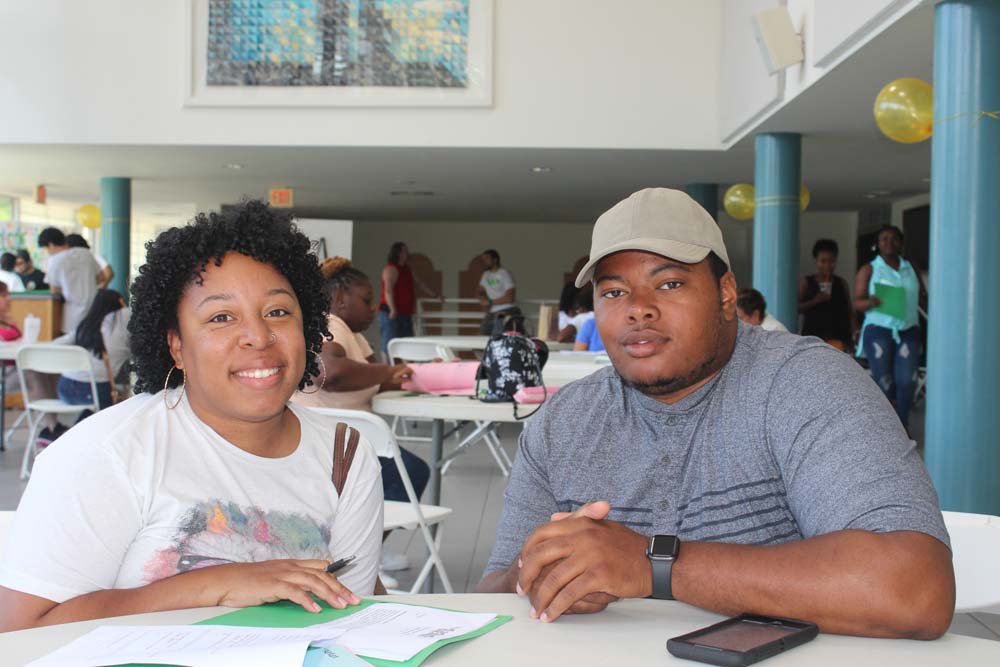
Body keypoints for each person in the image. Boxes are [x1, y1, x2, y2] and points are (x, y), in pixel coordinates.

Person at [477, 188, 953, 640]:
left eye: (669, 284)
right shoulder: (562, 423)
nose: (638, 310)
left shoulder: (805, 383)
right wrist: (545, 571)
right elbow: (490, 595)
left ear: (726, 294)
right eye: (614, 292)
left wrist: (651, 563)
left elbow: (915, 588)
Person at [0, 201, 383, 632]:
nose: (258, 336)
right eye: (221, 317)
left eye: (278, 312)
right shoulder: (107, 453)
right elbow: (19, 632)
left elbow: (350, 625)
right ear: (177, 346)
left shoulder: (344, 456)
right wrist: (216, 584)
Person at [293, 257, 430, 585]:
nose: (373, 308)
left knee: (403, 471)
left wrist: (414, 372)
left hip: (347, 442)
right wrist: (389, 371)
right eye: (367, 300)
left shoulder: (354, 335)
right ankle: (362, 553)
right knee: (411, 471)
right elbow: (330, 372)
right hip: (326, 444)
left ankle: (367, 549)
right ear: (340, 299)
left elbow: (378, 378)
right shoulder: (330, 323)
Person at [854, 225, 927, 430]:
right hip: (879, 331)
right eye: (884, 239)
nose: (889, 242)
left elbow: (922, 296)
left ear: (901, 243)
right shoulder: (869, 269)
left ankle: (902, 427)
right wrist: (870, 302)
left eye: (894, 239)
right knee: (885, 383)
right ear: (878, 244)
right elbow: (857, 302)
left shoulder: (910, 267)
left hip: (908, 330)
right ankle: (887, 429)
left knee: (907, 381)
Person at [53, 288, 131, 418]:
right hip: (96, 390)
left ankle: (79, 426)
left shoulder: (86, 325)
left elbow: (56, 345)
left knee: (93, 412)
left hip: (65, 387)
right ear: (121, 302)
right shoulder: (123, 317)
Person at [378, 242, 439, 356]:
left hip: (405, 313)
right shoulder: (391, 269)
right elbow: (388, 290)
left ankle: (406, 364)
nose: (407, 253)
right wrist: (393, 309)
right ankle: (386, 365)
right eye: (404, 251)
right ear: (398, 253)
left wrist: (435, 295)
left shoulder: (407, 269)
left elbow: (420, 283)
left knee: (406, 342)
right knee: (388, 341)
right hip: (390, 312)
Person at [37, 227, 100, 334]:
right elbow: (100, 277)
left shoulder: (55, 260)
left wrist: (69, 288)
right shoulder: (86, 254)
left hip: (73, 315)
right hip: (94, 311)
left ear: (51, 245)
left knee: (72, 342)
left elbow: (54, 290)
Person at [799, 239, 854, 350]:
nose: (827, 265)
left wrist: (855, 333)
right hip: (813, 337)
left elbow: (850, 311)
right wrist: (815, 300)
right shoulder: (807, 282)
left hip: (839, 337)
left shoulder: (841, 283)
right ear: (816, 261)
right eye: (823, 261)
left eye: (831, 261)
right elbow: (796, 308)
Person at [477, 249, 520, 335]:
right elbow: (480, 291)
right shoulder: (486, 275)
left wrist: (490, 302)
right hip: (492, 311)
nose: (484, 262)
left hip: (507, 310)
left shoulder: (504, 274)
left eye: (487, 259)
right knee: (484, 332)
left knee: (498, 333)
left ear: (495, 260)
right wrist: (483, 299)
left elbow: (510, 298)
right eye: (483, 259)